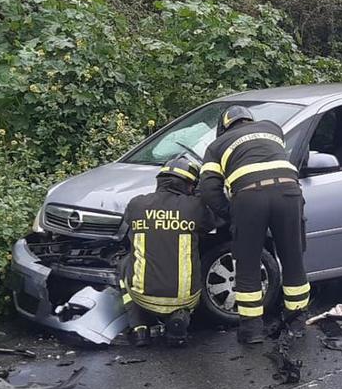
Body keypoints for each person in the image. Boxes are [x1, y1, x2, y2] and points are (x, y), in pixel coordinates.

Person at [198, 106, 309, 346]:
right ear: (249, 119)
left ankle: (251, 330)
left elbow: (208, 189)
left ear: (224, 126)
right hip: (288, 193)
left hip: (249, 198)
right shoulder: (272, 128)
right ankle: (297, 322)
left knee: (247, 263)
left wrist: (230, 213)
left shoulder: (216, 146)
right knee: (292, 258)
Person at [120, 155, 215, 346]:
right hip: (185, 299)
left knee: (123, 264)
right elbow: (211, 224)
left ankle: (139, 328)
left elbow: (129, 225)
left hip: (143, 298)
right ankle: (179, 319)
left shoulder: (137, 204)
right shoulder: (195, 207)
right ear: (189, 185)